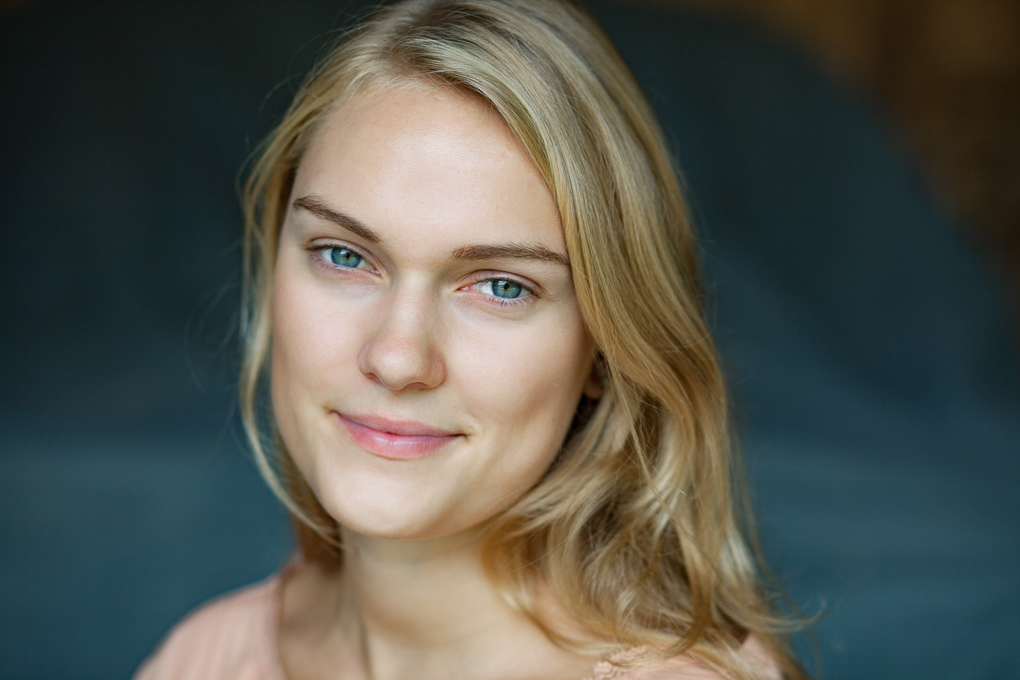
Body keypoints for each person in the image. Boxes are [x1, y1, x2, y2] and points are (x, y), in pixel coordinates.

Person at [134, 1, 806, 678]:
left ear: (604, 349)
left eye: (502, 287)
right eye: (344, 255)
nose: (397, 358)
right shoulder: (202, 658)